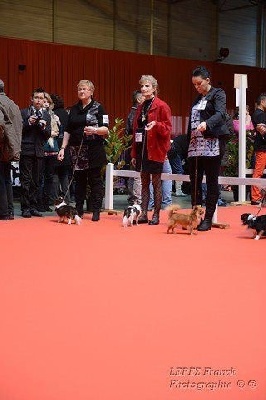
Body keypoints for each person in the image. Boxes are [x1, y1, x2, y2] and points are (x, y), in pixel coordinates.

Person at [58, 79, 109, 221]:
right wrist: (63, 148)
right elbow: (68, 130)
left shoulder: (98, 108)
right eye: (79, 89)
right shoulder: (73, 109)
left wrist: (95, 130)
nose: (81, 91)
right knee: (79, 181)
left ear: (91, 91)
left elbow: (106, 129)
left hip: (94, 149)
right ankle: (78, 209)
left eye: (84, 89)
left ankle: (96, 210)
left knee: (95, 181)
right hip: (76, 150)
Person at [187, 66, 230, 231]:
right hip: (195, 144)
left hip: (211, 143)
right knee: (195, 181)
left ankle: (208, 218)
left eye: (199, 83)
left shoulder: (218, 94)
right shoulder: (198, 99)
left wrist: (207, 123)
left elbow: (220, 113)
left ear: (207, 80)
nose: (197, 87)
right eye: (194, 84)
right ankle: (195, 216)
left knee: (212, 182)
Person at [131, 74, 172, 225]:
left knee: (156, 183)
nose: (143, 88)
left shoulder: (162, 105)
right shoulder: (140, 107)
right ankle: (143, 214)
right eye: (142, 86)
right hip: (142, 148)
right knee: (143, 182)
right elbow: (136, 130)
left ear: (154, 88)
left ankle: (156, 214)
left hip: (155, 149)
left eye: (147, 86)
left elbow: (168, 129)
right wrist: (134, 153)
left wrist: (157, 124)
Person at [20, 87, 51, 218]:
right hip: (26, 150)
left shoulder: (46, 115)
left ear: (44, 100)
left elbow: (48, 135)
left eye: (41, 98)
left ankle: (33, 206)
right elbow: (19, 131)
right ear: (31, 99)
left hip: (39, 151)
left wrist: (43, 127)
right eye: (37, 98)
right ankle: (25, 208)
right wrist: (28, 123)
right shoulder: (23, 113)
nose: (39, 101)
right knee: (25, 180)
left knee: (37, 181)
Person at [0, 79, 22, 220]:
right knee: (6, 178)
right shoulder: (13, 104)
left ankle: (3, 212)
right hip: (12, 146)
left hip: (2, 145)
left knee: (1, 179)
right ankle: (9, 211)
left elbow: (0, 124)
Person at [37, 92, 60, 211]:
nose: (45, 103)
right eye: (44, 101)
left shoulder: (54, 115)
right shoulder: (37, 114)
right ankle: (38, 202)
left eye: (47, 102)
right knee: (39, 177)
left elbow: (57, 131)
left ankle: (46, 202)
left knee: (49, 177)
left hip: (52, 148)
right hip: (41, 147)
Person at [50, 93, 71, 204]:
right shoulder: (67, 115)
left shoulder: (52, 114)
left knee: (54, 174)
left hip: (55, 146)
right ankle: (67, 199)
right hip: (66, 147)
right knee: (65, 175)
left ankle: (54, 199)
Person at [125, 90, 143, 205]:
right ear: (138, 99)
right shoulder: (136, 112)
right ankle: (136, 199)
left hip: (131, 145)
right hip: (135, 146)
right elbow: (134, 130)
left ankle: (132, 197)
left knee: (133, 174)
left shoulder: (133, 112)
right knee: (137, 174)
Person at [250, 93, 266, 205]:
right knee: (258, 172)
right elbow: (262, 130)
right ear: (263, 101)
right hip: (262, 147)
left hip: (262, 146)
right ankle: (255, 198)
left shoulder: (259, 114)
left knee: (259, 171)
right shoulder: (260, 114)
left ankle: (257, 197)